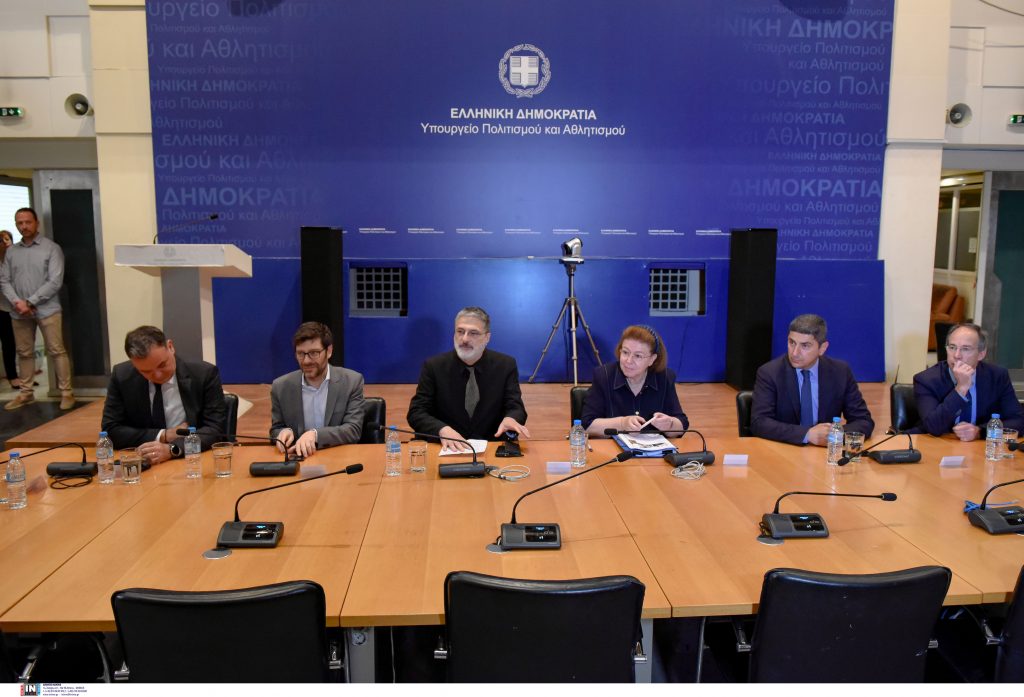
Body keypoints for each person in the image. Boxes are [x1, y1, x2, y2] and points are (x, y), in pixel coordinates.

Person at [101, 325, 227, 466]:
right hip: (144, 461)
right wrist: (163, 435)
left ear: (170, 347)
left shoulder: (203, 374)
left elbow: (215, 429)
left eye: (162, 365)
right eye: (146, 371)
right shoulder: (122, 376)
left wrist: (173, 449)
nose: (157, 375)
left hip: (192, 461)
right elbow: (110, 430)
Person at [407, 306, 529, 450]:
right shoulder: (434, 366)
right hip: (445, 447)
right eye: (460, 331)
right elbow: (417, 412)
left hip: (490, 446)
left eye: (473, 333)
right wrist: (441, 430)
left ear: (487, 338)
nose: (464, 339)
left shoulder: (505, 365)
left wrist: (511, 418)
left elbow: (515, 407)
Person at [751, 313, 874, 445]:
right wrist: (807, 435)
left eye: (805, 346)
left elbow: (863, 421)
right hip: (785, 448)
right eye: (792, 342)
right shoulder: (770, 373)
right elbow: (759, 423)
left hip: (824, 452)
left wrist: (832, 435)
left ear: (822, 348)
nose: (795, 353)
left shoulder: (840, 372)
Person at [0, 208, 74, 410]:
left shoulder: (51, 248)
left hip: (48, 309)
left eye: (27, 222)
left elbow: (55, 281)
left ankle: (66, 393)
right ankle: (26, 393)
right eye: (19, 223)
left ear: (36, 223)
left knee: (57, 350)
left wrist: (30, 302)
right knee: (24, 353)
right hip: (19, 311)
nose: (24, 226)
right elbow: (4, 280)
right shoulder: (11, 252)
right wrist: (17, 302)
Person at [912, 322, 1024, 440]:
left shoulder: (997, 376)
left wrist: (979, 432)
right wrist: (961, 388)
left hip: (978, 447)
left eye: (965, 349)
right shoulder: (926, 380)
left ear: (981, 354)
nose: (957, 355)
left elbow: (1019, 421)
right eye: (952, 347)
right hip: (937, 444)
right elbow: (933, 427)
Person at [270, 322, 366, 457]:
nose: (306, 361)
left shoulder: (351, 382)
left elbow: (353, 430)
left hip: (338, 458)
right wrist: (283, 433)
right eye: (300, 353)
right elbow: (276, 429)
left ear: (329, 351)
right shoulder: (280, 387)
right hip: (298, 459)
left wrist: (316, 435)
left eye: (314, 353)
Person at [580, 324, 688, 437]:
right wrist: (622, 423)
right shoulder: (604, 376)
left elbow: (682, 424)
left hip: (653, 448)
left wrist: (670, 424)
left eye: (638, 356)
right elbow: (586, 426)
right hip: (613, 447)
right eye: (625, 352)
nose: (628, 360)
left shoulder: (664, 378)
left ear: (652, 359)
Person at [0, 229, 19, 390]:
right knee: (7, 343)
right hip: (2, 307)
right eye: (2, 240)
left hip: (15, 307)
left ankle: (17, 376)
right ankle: (11, 376)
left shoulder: (15, 258)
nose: (6, 243)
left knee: (13, 343)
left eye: (8, 239)